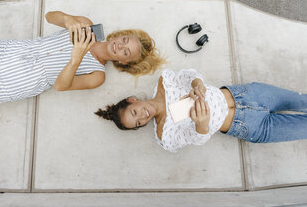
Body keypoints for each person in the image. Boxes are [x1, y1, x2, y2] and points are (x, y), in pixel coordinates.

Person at [0, 11, 164, 112]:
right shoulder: (86, 24)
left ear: (123, 63)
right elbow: (49, 16)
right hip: (10, 52)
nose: (121, 46)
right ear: (119, 35)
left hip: (18, 83)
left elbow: (60, 86)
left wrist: (76, 58)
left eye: (126, 53)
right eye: (125, 40)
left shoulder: (97, 76)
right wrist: (67, 19)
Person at [95, 69, 307, 153]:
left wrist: (198, 84)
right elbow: (196, 139)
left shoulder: (164, 81)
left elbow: (190, 74)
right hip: (248, 126)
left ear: (132, 100)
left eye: (134, 113)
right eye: (138, 123)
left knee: (302, 100)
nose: (142, 117)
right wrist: (201, 125)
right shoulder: (164, 135)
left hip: (246, 94)